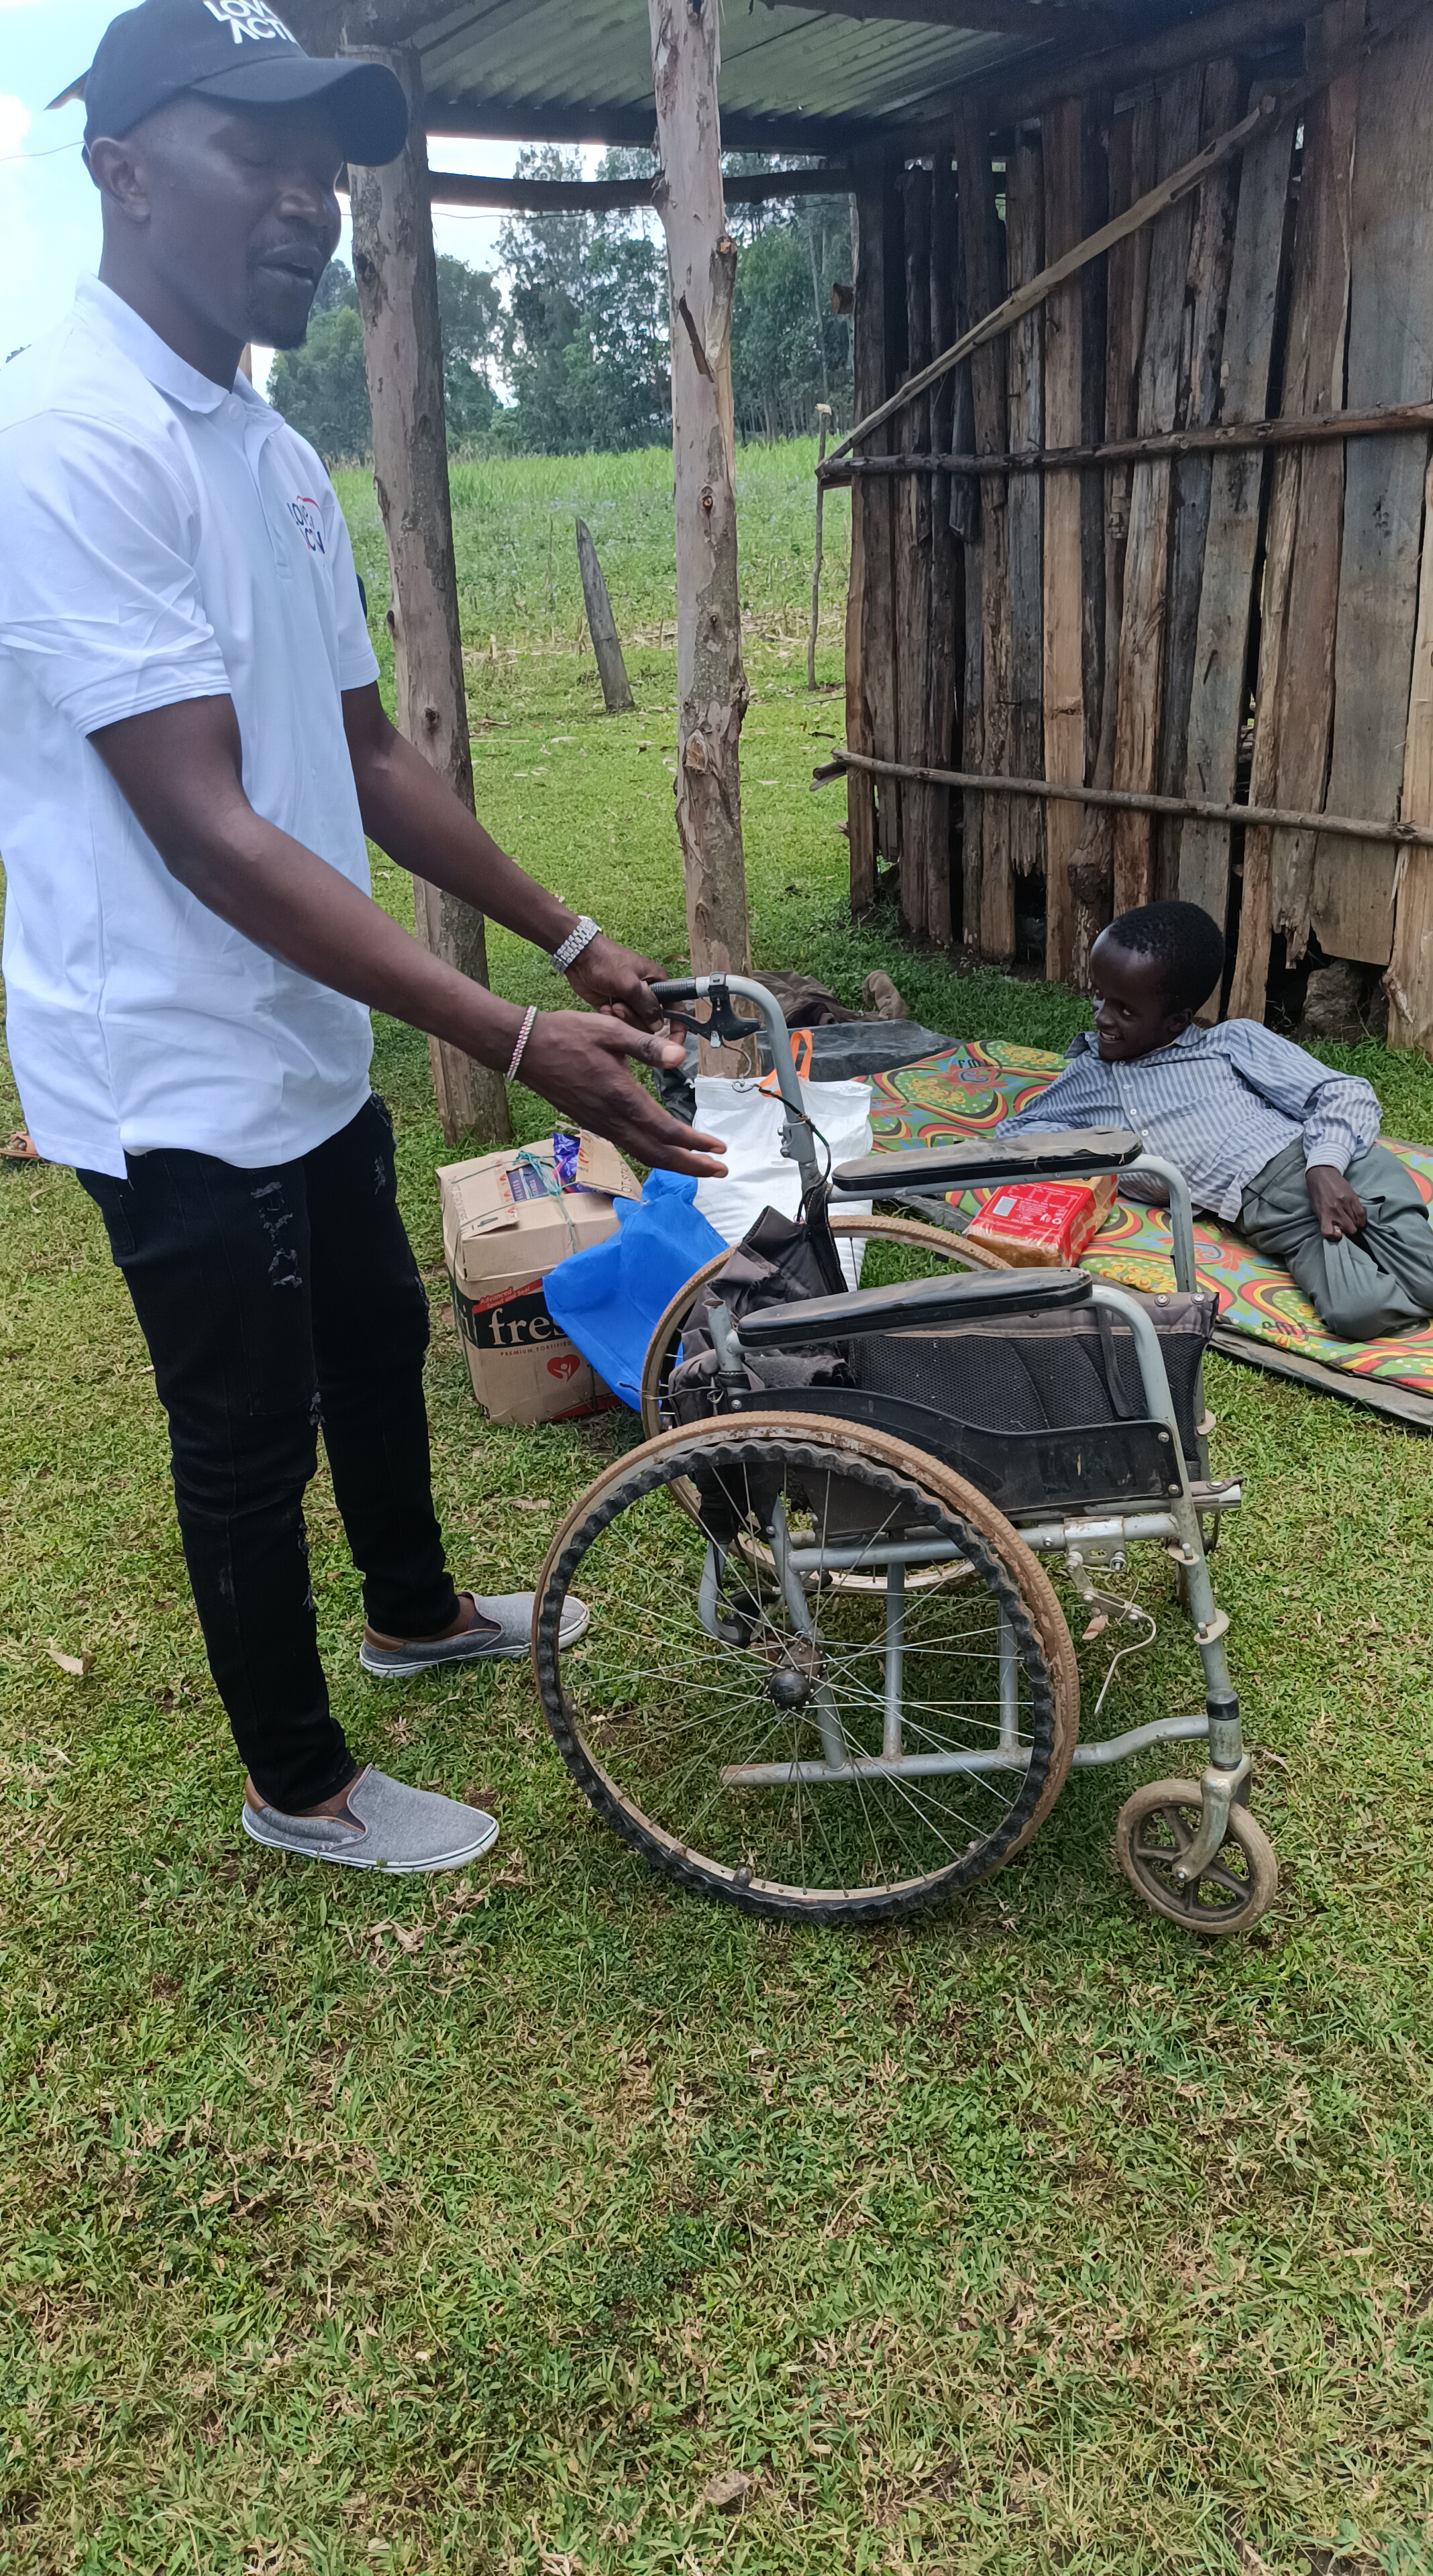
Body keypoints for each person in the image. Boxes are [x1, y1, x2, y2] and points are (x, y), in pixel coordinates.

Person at [0, 0, 726, 1876]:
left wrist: (570, 941)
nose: (312, 201)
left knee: (382, 1333)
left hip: (302, 1027)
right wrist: (501, 1038)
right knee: (244, 1431)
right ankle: (297, 1784)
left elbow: (361, 756)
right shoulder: (69, 439)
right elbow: (207, 827)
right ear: (124, 165)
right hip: (167, 1054)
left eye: (328, 165)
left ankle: (413, 1614)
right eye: (266, 155)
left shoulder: (262, 445)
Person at [996, 902, 1433, 1343]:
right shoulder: (1085, 1079)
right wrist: (1124, 1167)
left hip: (1342, 1171)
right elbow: (1016, 1136)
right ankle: (1403, 1255)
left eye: (1126, 1011)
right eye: (1100, 996)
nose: (1102, 1017)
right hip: (1281, 1221)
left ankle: (1414, 1254)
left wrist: (1324, 1168)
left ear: (1176, 1022)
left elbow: (1342, 1092)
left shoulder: (1229, 1045)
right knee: (1358, 1311)